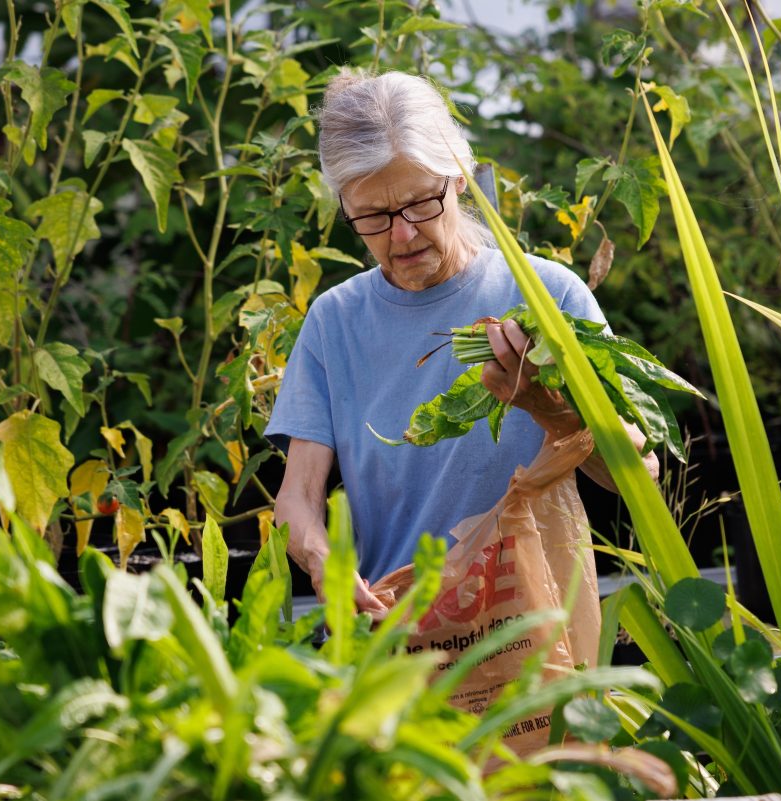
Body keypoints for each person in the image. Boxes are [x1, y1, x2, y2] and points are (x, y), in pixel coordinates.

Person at [265, 70, 658, 617]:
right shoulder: (335, 322)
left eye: (420, 203)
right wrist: (318, 555)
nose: (401, 235)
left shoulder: (546, 296)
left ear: (458, 179)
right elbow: (297, 499)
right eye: (373, 217)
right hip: (394, 636)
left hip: (530, 636)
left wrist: (550, 410)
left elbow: (639, 476)